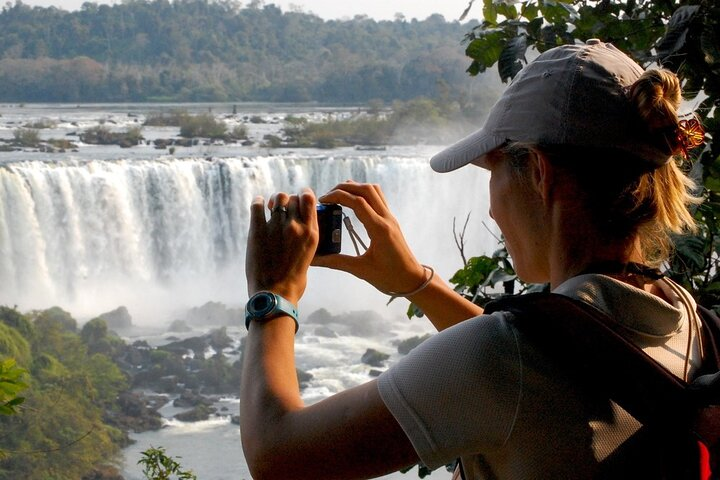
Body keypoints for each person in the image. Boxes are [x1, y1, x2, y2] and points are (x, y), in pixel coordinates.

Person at [241, 39, 707, 479]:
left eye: (494, 173)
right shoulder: (686, 316)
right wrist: (417, 283)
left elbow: (277, 456)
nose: (491, 205)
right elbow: (553, 355)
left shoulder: (503, 360)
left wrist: (273, 294)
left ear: (539, 174)